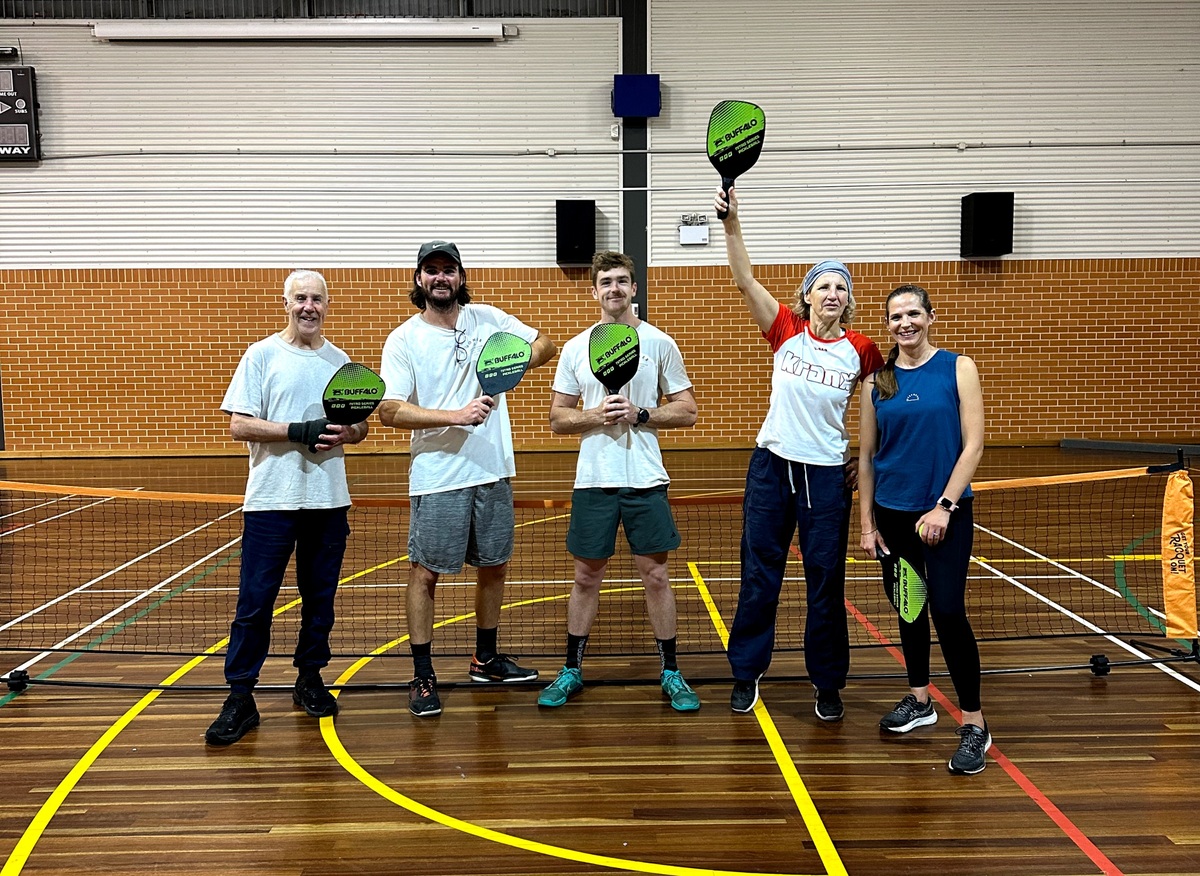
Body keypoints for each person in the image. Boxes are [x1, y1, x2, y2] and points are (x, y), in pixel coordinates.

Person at [715, 185, 883, 720]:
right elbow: (743, 281)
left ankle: (828, 683)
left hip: (827, 478)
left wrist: (865, 457)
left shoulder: (863, 350)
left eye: (841, 287)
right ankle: (746, 673)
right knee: (759, 576)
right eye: (823, 285)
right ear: (807, 294)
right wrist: (732, 223)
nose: (832, 293)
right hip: (772, 469)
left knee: (825, 584)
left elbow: (886, 408)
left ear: (847, 300)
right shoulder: (785, 330)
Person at [379, 240, 556, 718]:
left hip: (493, 468)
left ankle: (486, 658)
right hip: (439, 475)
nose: (440, 278)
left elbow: (545, 342)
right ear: (419, 280)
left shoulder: (489, 319)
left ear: (461, 276)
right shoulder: (404, 340)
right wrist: (455, 415)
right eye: (431, 270)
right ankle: (422, 674)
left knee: (494, 566)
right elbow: (390, 410)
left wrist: (513, 364)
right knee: (427, 573)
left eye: (448, 269)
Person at [206, 269, 369, 746]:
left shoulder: (341, 362)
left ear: (327, 304)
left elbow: (359, 427)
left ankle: (309, 679)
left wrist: (347, 432)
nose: (308, 307)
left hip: (327, 501)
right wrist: (298, 431)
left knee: (320, 601)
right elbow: (239, 426)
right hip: (271, 503)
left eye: (317, 299)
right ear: (285, 303)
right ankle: (240, 697)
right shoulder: (260, 355)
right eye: (300, 298)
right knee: (255, 603)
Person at [536, 251, 701, 712]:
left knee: (656, 575)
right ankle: (571, 669)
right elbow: (556, 419)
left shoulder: (659, 343)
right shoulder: (574, 348)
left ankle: (671, 671)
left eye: (622, 281)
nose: (614, 288)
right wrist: (594, 415)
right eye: (605, 281)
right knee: (586, 576)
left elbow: (687, 409)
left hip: (646, 477)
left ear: (634, 288)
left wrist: (641, 413)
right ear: (594, 291)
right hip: (594, 480)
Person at [857, 283, 988, 774]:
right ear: (887, 325)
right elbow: (867, 458)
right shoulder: (878, 381)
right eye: (895, 317)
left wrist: (944, 507)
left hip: (944, 516)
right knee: (909, 610)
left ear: (930, 317)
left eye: (913, 313)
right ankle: (920, 700)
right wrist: (867, 525)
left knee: (949, 612)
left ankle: (974, 723)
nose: (904, 323)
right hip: (892, 515)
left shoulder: (959, 368)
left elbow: (972, 446)